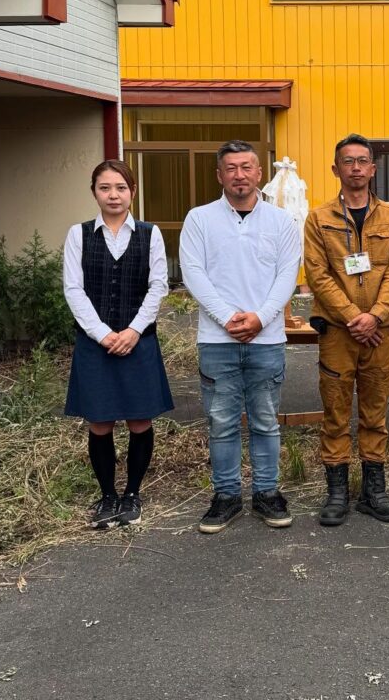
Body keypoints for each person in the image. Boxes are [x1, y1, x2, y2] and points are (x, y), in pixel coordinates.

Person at [180, 140, 301, 534]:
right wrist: (228, 316)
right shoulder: (199, 219)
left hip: (266, 340)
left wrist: (261, 318)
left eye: (246, 167)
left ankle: (267, 492)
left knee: (266, 420)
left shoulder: (281, 222)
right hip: (217, 339)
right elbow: (193, 272)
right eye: (230, 168)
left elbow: (287, 275)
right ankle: (226, 495)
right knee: (222, 422)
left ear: (259, 173)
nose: (239, 175)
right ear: (219, 175)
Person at [304, 134, 389, 526]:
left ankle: (373, 490)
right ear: (336, 169)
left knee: (374, 410)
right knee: (334, 410)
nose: (356, 168)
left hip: (378, 332)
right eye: (348, 162)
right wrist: (353, 317)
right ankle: (336, 491)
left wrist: (376, 315)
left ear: (373, 169)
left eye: (363, 161)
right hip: (337, 331)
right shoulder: (319, 219)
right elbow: (317, 273)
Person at [63, 160, 173, 529]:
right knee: (100, 421)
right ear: (94, 192)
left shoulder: (149, 233)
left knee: (139, 419)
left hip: (137, 340)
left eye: (121, 188)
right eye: (105, 188)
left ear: (132, 192)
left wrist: (133, 330)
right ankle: (107, 495)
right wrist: (103, 333)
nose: (113, 195)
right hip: (96, 344)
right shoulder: (78, 234)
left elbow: (159, 285)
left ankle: (133, 495)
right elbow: (73, 289)